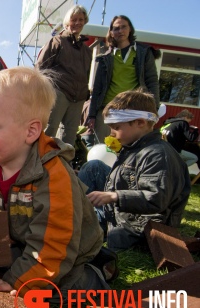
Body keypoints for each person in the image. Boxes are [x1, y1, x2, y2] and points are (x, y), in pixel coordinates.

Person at [0, 67, 110, 300]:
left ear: (31, 131)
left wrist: (16, 283)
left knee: (59, 288)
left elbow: (54, 247)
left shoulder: (54, 177)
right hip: (27, 242)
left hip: (68, 252)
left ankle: (95, 275)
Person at [81, 89, 191, 252]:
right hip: (123, 213)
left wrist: (114, 196)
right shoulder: (134, 147)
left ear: (140, 122)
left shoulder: (158, 155)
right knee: (93, 167)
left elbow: (156, 198)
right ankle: (82, 215)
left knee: (81, 227)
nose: (112, 132)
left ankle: (83, 222)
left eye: (116, 127)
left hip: (140, 228)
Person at [85, 15, 161, 146]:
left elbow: (152, 81)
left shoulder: (143, 52)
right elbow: (97, 87)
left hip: (133, 110)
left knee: (130, 148)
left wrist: (155, 107)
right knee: (104, 147)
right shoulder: (105, 57)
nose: (120, 31)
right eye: (116, 28)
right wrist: (91, 115)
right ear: (111, 33)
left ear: (130, 29)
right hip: (107, 110)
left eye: (123, 27)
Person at [35, 5, 92, 146]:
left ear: (85, 22)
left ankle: (63, 166)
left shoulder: (87, 50)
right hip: (58, 92)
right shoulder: (57, 41)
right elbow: (40, 68)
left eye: (81, 19)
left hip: (78, 98)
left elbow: (88, 74)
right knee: (49, 128)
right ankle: (37, 163)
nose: (77, 23)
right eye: (74, 19)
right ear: (67, 23)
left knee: (69, 136)